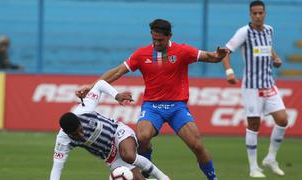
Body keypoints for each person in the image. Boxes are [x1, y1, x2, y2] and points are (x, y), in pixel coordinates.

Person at [76, 19, 229, 180]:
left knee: (197, 145)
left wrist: (218, 56)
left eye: (160, 40)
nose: (156, 43)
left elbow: (211, 57)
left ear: (169, 36)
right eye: (153, 39)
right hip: (152, 106)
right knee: (142, 137)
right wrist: (91, 87)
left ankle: (213, 178)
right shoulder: (142, 54)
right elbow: (118, 71)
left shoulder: (182, 51)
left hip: (177, 107)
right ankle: (147, 170)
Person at [49, 80, 170, 180]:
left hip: (118, 133)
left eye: (80, 130)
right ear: (67, 133)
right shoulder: (63, 140)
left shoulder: (84, 110)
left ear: (79, 122)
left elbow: (100, 84)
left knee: (128, 155)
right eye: (76, 135)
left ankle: (163, 177)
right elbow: (57, 168)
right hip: (111, 157)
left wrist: (116, 95)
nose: (81, 134)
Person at [221, 1, 288, 178]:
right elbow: (225, 52)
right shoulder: (244, 32)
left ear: (265, 13)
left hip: (269, 83)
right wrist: (229, 72)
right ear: (250, 15)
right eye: (254, 13)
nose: (258, 16)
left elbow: (268, 47)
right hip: (251, 86)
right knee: (254, 125)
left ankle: (271, 158)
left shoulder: (269, 30)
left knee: (283, 120)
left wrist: (276, 58)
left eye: (260, 13)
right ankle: (253, 168)